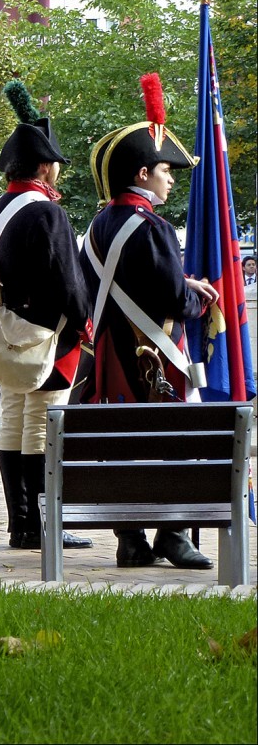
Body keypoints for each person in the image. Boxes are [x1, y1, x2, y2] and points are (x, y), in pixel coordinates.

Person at [81, 73, 218, 570]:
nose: (172, 178)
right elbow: (172, 297)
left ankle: (131, 539)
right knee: (172, 439)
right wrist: (199, 298)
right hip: (152, 354)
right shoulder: (154, 227)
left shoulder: (99, 224)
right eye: (165, 170)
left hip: (112, 352)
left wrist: (181, 287)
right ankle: (174, 534)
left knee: (123, 441)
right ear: (142, 173)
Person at [0, 81, 92, 552]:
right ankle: (45, 525)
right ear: (44, 167)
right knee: (43, 423)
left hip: (7, 330)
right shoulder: (48, 213)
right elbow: (69, 281)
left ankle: (22, 524)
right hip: (50, 335)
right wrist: (83, 325)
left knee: (14, 421)